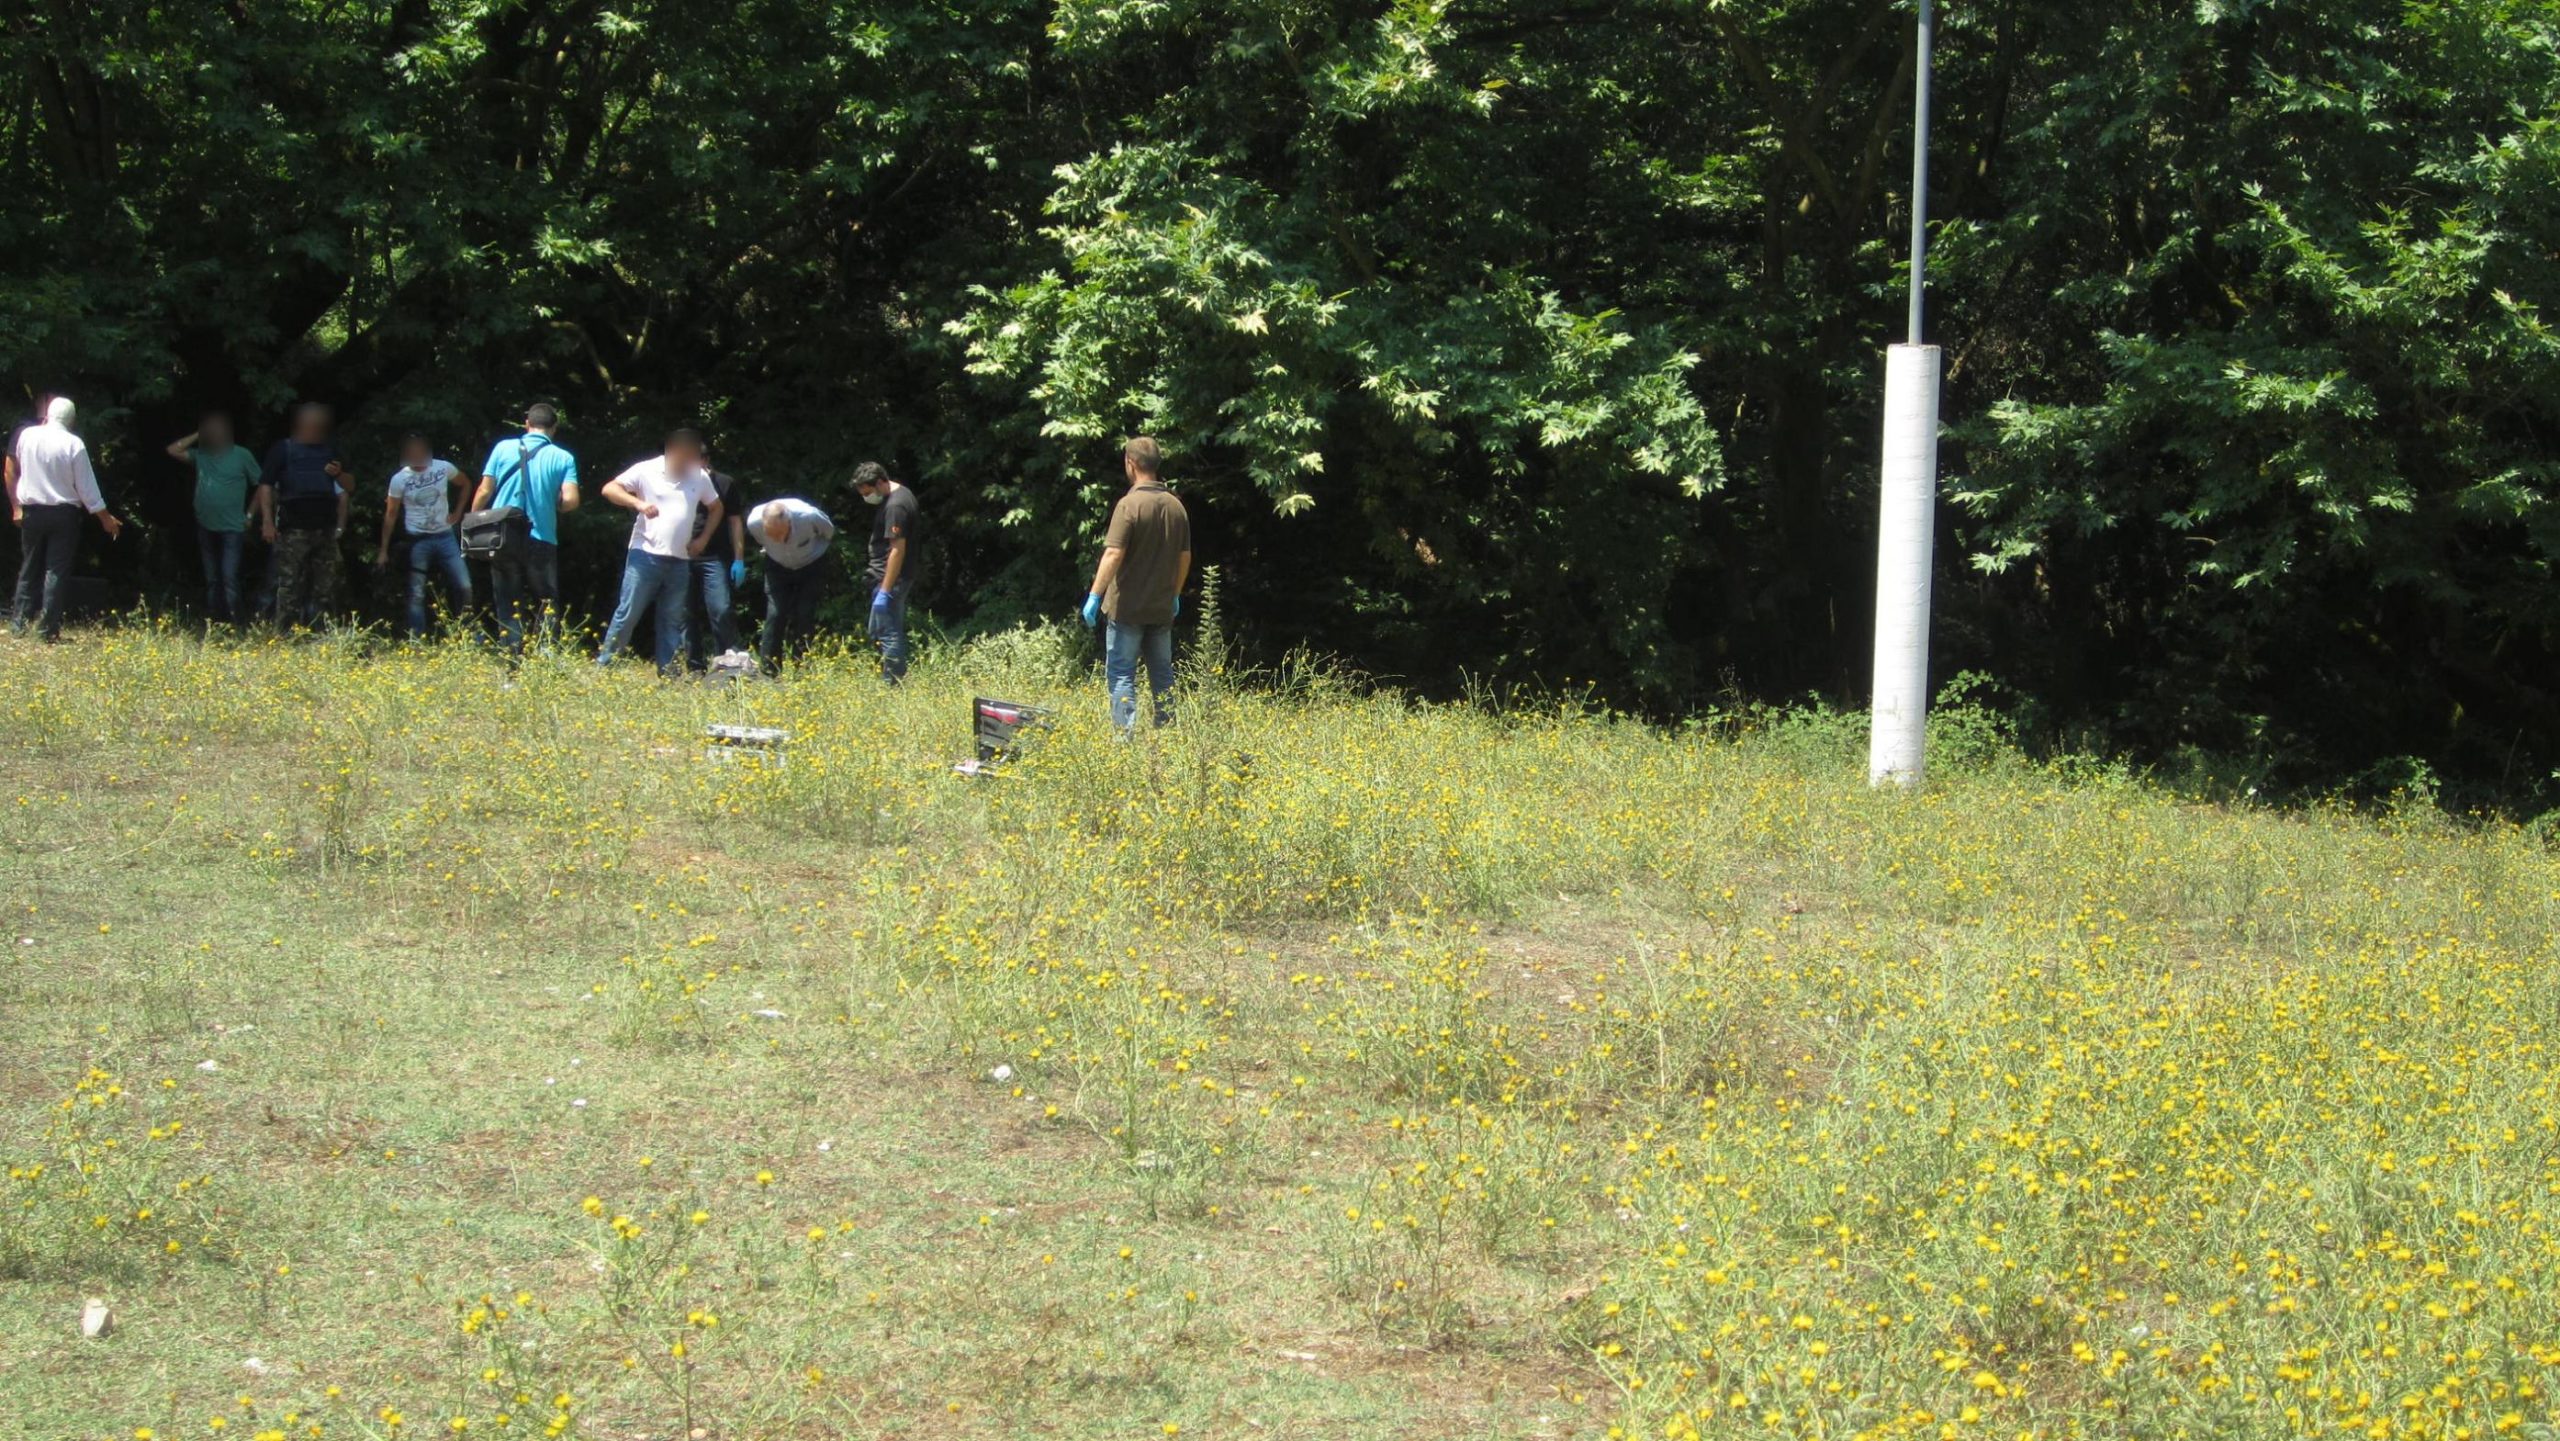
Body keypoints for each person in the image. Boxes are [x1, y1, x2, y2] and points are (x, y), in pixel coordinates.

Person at [1078, 437, 1191, 733]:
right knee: (1162, 675)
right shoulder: (1176, 507)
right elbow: (1185, 557)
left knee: (1121, 674)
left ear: (1131, 463)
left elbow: (1113, 553)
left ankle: (1124, 739)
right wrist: (1175, 594)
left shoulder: (1128, 505)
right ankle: (1167, 735)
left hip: (1127, 609)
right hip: (1161, 608)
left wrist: (1094, 596)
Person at [595, 429, 719, 676]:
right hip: (645, 554)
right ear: (673, 451)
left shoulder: (699, 476)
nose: (692, 462)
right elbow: (609, 489)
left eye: (695, 457)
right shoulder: (645, 470)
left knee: (671, 619)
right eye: (689, 456)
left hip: (680, 559)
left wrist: (703, 539)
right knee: (628, 613)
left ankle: (668, 673)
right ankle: (605, 665)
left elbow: (716, 507)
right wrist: (638, 503)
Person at [9, 398, 125, 641]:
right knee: (56, 571)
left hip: (32, 511)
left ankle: (19, 625)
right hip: (63, 515)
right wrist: (105, 518)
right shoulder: (74, 444)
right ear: (72, 420)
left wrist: (17, 505)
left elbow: (17, 467)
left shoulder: (27, 436)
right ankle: (47, 629)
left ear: (47, 415)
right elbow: (87, 488)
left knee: (29, 567)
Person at [473, 403, 580, 656]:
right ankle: (546, 657)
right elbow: (571, 501)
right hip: (541, 536)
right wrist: (554, 502)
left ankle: (512, 661)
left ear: (527, 424)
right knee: (546, 600)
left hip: (503, 536)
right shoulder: (563, 457)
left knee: (507, 601)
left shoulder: (503, 448)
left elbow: (485, 490)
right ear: (554, 428)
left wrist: (474, 521)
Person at [255, 403, 351, 632]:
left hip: (325, 529)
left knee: (326, 587)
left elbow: (349, 486)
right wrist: (267, 521)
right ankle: (283, 633)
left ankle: (323, 634)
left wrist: (339, 474)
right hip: (293, 529)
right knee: (289, 586)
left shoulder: (330, 450)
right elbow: (265, 485)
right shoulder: (283, 449)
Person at [164, 413, 261, 623]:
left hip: (233, 527)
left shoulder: (241, 455)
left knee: (229, 577)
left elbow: (262, 486)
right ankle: (215, 621)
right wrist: (198, 434)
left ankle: (236, 622)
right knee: (212, 579)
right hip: (205, 524)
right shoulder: (202, 455)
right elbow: (172, 450)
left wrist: (250, 514)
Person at [375, 433, 472, 639]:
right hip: (418, 539)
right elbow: (391, 514)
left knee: (464, 585)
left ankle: (467, 632)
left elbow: (465, 483)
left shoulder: (443, 467)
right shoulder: (399, 479)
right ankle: (417, 639)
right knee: (416, 592)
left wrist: (458, 512)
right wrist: (383, 550)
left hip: (445, 536)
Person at [744, 497, 834, 676]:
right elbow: (762, 542)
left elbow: (829, 533)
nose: (777, 540)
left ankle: (802, 670)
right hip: (777, 566)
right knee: (775, 614)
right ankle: (769, 671)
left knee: (804, 613)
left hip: (811, 564)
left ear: (789, 522)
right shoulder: (753, 523)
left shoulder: (809, 516)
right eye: (771, 535)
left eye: (780, 534)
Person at [852, 461, 919, 683]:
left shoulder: (895, 506)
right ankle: (886, 677)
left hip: (890, 578)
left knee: (888, 633)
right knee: (878, 631)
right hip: (887, 576)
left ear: (881, 482)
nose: (866, 498)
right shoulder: (899, 493)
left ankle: (893, 684)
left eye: (868, 493)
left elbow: (897, 550)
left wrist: (885, 590)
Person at [683, 460, 746, 670]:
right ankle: (694, 667)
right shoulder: (677, 483)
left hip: (715, 557)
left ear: (705, 460)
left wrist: (739, 559)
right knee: (686, 613)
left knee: (721, 608)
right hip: (681, 556)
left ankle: (728, 662)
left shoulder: (725, 483)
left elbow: (735, 522)